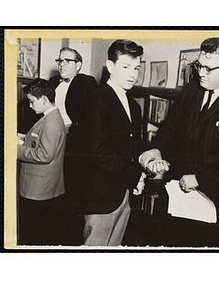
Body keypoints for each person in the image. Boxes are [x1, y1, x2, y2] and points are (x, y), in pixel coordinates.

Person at [139, 37, 219, 247]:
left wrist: (200, 178)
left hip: (216, 204)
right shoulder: (191, 90)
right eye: (199, 66)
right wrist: (157, 148)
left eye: (208, 68)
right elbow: (170, 127)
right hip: (178, 196)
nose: (200, 73)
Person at [82, 39, 146, 246]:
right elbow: (99, 153)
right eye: (126, 67)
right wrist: (135, 176)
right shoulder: (97, 99)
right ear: (110, 67)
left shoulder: (134, 106)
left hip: (124, 194)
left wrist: (140, 176)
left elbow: (133, 149)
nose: (132, 74)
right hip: (102, 198)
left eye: (136, 68)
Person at [49, 47, 97, 245]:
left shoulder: (86, 82)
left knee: (71, 189)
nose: (61, 64)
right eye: (59, 60)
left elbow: (91, 116)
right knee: (51, 186)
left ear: (78, 65)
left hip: (74, 143)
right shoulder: (52, 83)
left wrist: (72, 129)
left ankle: (70, 238)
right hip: (51, 139)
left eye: (67, 61)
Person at [18, 78, 67, 245]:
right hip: (41, 185)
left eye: (32, 102)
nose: (30, 106)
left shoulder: (51, 122)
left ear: (44, 99)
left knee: (33, 233)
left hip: (38, 188)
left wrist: (15, 149)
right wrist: (23, 140)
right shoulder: (50, 116)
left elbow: (44, 155)